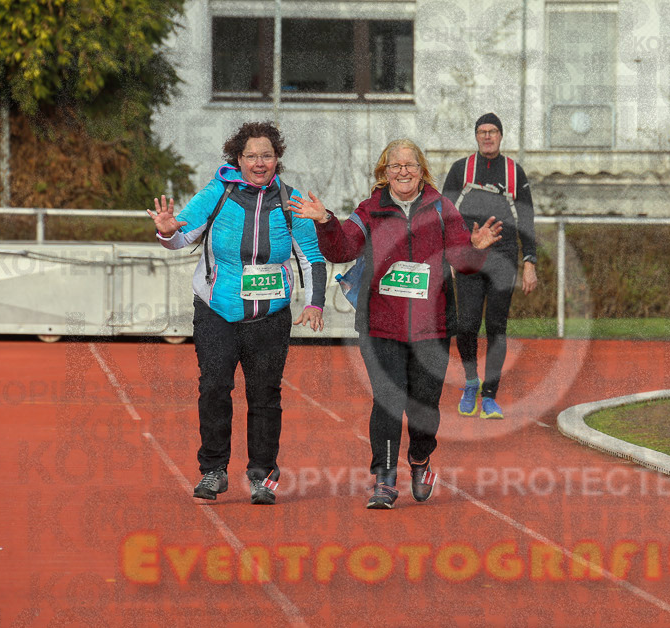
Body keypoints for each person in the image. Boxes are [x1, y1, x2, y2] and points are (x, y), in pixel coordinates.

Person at [288, 139, 502, 509]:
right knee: (388, 400)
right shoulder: (370, 210)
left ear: (422, 171)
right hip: (380, 324)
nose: (403, 171)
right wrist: (325, 221)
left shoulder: (441, 208)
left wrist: (475, 247)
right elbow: (342, 250)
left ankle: (420, 459)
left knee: (424, 404)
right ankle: (384, 480)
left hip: (431, 327)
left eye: (410, 165)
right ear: (384, 173)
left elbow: (462, 262)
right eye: (395, 166)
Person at [147, 121, 326, 505]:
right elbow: (180, 237)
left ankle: (261, 476)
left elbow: (312, 259)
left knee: (264, 395)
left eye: (266, 155)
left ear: (277, 158)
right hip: (216, 311)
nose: (258, 163)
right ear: (237, 159)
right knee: (214, 387)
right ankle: (213, 471)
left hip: (270, 317)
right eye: (250, 156)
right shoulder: (218, 192)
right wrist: (165, 231)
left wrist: (314, 303)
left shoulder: (291, 202)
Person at [442, 112, 537, 419]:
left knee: (496, 328)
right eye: (481, 131)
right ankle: (472, 381)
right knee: (466, 325)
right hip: (470, 258)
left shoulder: (514, 172)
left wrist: (529, 262)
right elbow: (445, 213)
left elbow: (527, 220)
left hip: (504, 258)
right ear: (476, 136)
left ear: (500, 135)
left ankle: (490, 396)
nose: (487, 136)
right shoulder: (461, 170)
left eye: (492, 131)